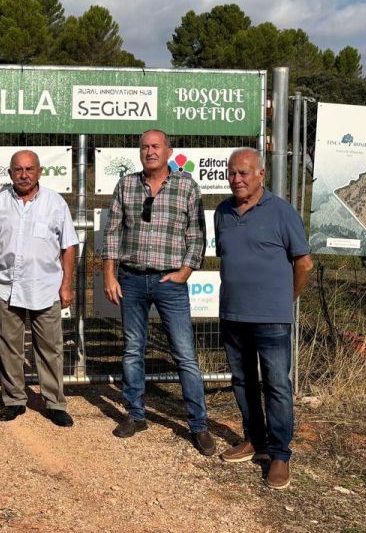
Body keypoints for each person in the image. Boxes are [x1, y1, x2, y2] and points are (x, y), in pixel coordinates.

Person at [101, 129, 215, 455]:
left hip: (170, 283)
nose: (149, 151)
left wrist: (185, 271)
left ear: (168, 151)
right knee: (133, 349)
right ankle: (135, 415)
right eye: (144, 147)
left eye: (155, 146)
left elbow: (197, 235)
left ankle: (199, 425)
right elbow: (112, 234)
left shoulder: (187, 187)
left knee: (184, 355)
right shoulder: (126, 185)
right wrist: (110, 275)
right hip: (132, 280)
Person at [214, 148, 313, 490]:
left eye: (243, 173)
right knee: (242, 381)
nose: (236, 179)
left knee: (276, 385)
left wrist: (287, 300)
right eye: (231, 173)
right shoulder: (223, 212)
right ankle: (254, 440)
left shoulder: (282, 212)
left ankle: (280, 455)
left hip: (271, 317)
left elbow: (304, 263)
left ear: (260, 175)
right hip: (232, 314)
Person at [0, 150, 79, 428]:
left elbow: (69, 245)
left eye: (29, 169)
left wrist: (66, 285)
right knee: (9, 347)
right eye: (18, 169)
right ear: (10, 173)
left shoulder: (55, 203)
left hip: (45, 287)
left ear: (39, 171)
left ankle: (54, 403)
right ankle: (14, 399)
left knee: (50, 348)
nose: (24, 174)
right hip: (6, 286)